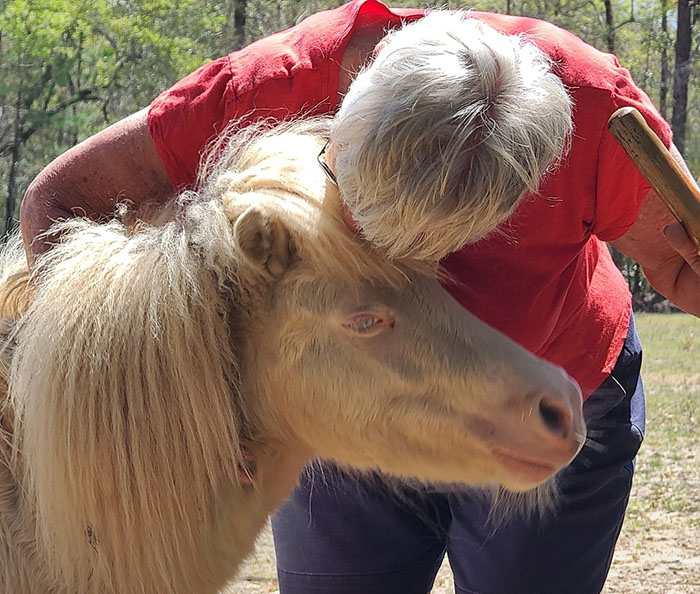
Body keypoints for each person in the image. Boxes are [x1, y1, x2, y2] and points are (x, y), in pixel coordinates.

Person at [20, 1, 700, 593]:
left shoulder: (599, 119)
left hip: (548, 396)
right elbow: (58, 202)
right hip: (342, 420)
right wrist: (163, 404)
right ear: (342, 118)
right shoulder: (273, 87)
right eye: (340, 185)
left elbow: (677, 269)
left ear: (511, 200)